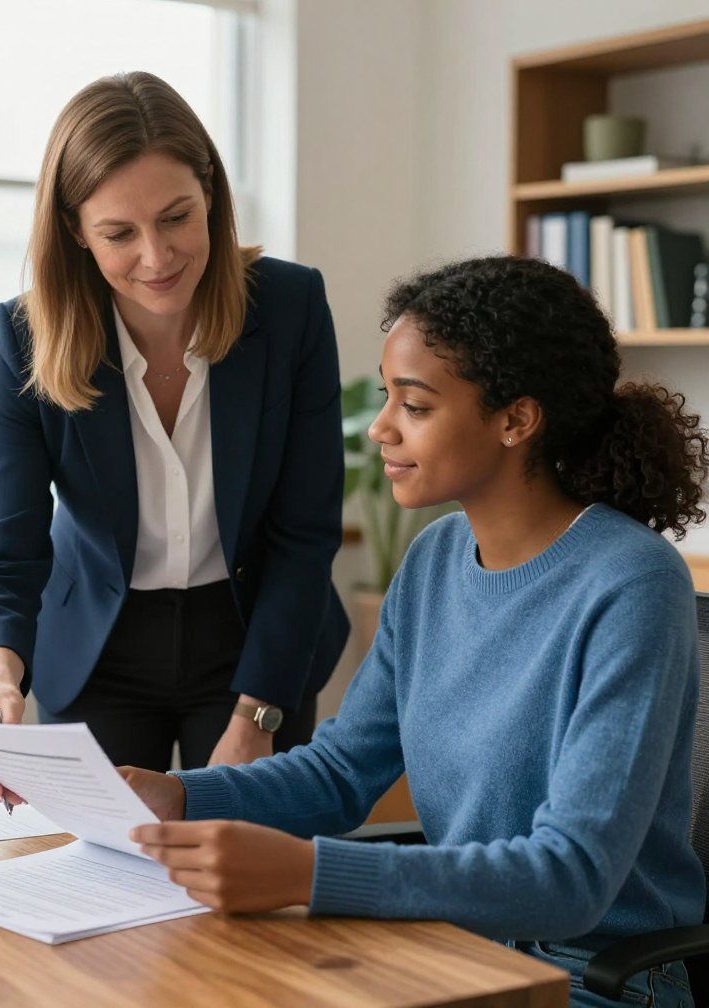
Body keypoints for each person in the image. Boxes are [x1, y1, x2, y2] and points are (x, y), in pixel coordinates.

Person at [124, 256, 708, 1008]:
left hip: (594, 981)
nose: (382, 427)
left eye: (417, 405)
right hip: (449, 953)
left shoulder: (632, 584)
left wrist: (306, 874)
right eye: (387, 395)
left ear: (516, 420)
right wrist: (176, 794)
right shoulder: (435, 558)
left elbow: (573, 878)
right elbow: (340, 774)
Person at [0, 71, 349, 796]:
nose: (157, 257)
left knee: (245, 870)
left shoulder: (290, 309)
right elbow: (7, 546)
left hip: (257, 642)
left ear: (212, 200)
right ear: (76, 231)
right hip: (99, 648)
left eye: (176, 218)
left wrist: (256, 717)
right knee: (95, 872)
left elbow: (305, 534)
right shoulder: (24, 336)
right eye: (119, 233)